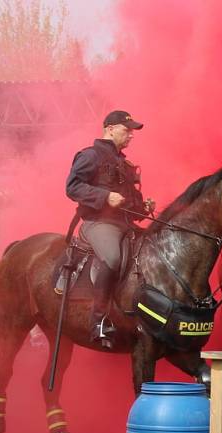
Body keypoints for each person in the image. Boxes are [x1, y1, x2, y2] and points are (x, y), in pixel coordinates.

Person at [65, 110, 152, 347]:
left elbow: (130, 202)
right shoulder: (90, 156)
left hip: (125, 224)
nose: (131, 136)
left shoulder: (125, 164)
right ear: (110, 128)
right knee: (112, 258)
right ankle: (98, 321)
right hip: (99, 223)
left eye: (132, 131)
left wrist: (143, 207)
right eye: (127, 130)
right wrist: (104, 196)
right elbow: (72, 187)